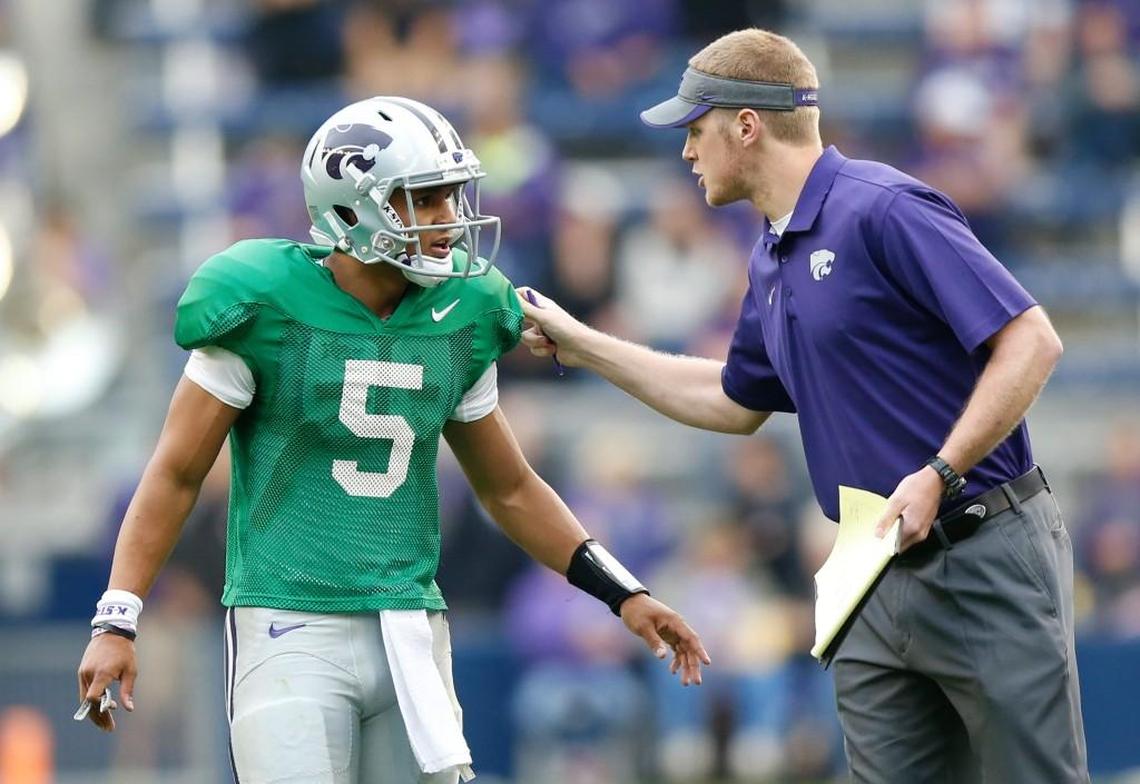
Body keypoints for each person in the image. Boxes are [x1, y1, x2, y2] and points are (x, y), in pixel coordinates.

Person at [75, 96, 709, 784]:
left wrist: (624, 593)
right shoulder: (263, 300)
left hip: (410, 627)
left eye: (451, 196)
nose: (448, 219)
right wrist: (117, 617)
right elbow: (176, 473)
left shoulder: (464, 309)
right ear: (352, 211)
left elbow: (510, 488)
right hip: (290, 625)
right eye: (424, 200)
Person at [518, 28, 1089, 784]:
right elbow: (733, 399)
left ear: (745, 125)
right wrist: (584, 344)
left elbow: (1031, 341)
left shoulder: (883, 208)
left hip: (980, 547)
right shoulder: (768, 252)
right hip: (870, 571)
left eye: (695, 130)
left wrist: (941, 471)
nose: (686, 151)